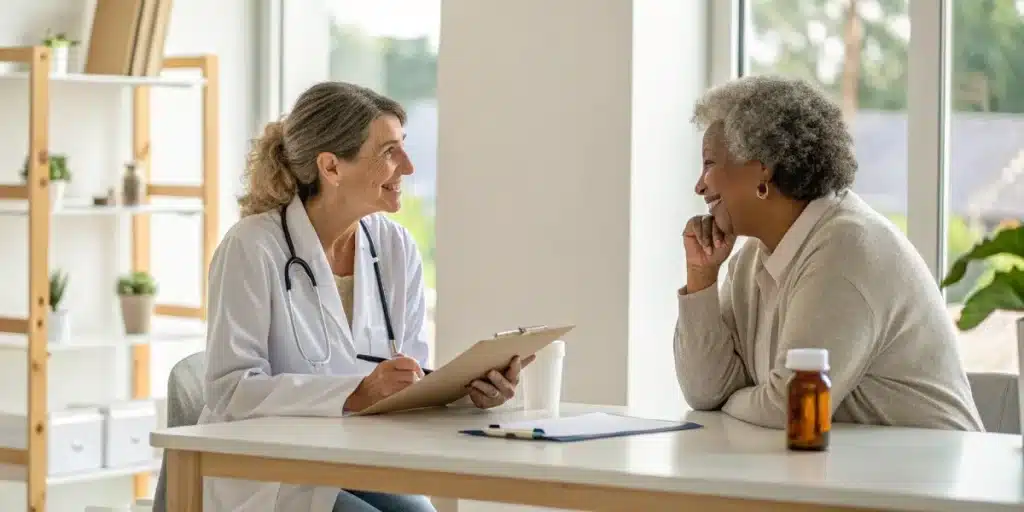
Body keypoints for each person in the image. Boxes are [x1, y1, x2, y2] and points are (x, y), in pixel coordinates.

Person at [197, 82, 530, 512]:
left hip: (357, 460)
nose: (408, 167)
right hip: (272, 476)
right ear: (331, 167)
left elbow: (407, 379)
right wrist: (355, 393)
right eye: (389, 152)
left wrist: (469, 395)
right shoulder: (253, 247)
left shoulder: (395, 247)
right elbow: (230, 390)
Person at [675, 75, 984, 431]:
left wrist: (737, 397)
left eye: (710, 164)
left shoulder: (847, 248)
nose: (699, 185)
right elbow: (704, 392)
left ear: (762, 167)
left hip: (926, 479)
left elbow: (789, 407)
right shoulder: (751, 260)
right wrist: (702, 278)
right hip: (842, 472)